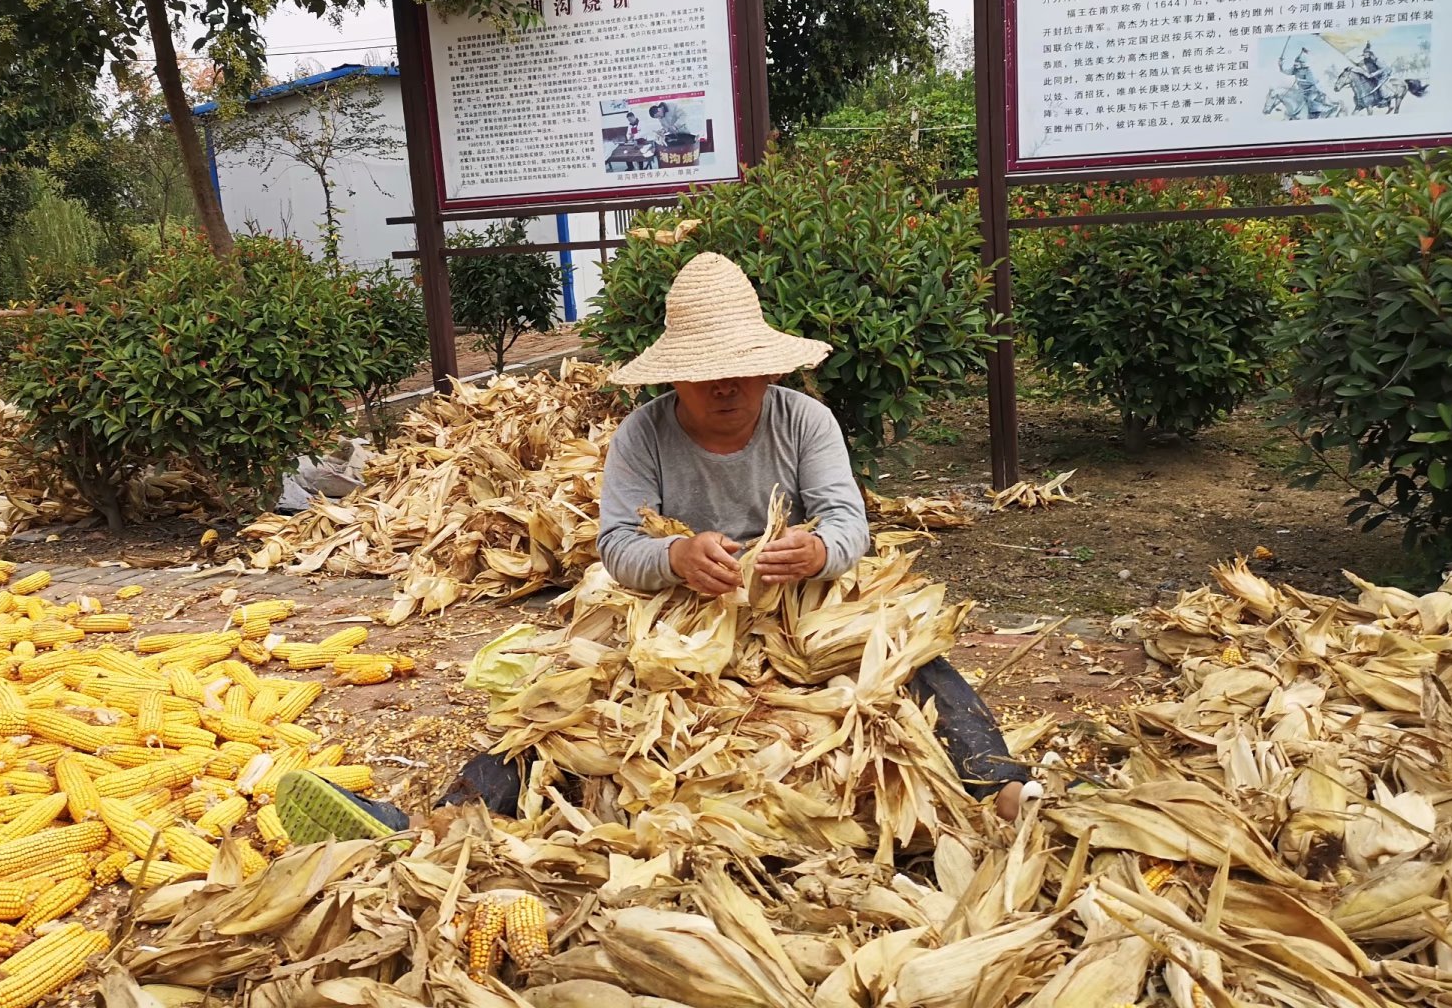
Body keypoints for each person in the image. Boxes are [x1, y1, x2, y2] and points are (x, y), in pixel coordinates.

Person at [276, 254, 1029, 843]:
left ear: (767, 365)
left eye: (739, 369)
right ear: (675, 374)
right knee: (565, 703)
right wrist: (673, 559)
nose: (724, 386)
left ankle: (1006, 789)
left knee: (912, 661)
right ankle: (440, 820)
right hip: (672, 616)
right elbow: (616, 546)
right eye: (704, 374)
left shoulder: (805, 424)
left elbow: (847, 524)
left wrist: (815, 551)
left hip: (802, 606)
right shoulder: (646, 433)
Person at [1282, 47, 1329, 118]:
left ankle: (1320, 111)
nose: (1295, 64)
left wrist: (1300, 80)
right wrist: (1280, 65)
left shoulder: (1307, 71)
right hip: (1302, 91)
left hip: (1311, 91)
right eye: (1295, 62)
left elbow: (1312, 82)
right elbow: (1285, 72)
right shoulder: (1295, 70)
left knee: (1309, 100)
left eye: (1297, 62)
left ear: (1302, 63)